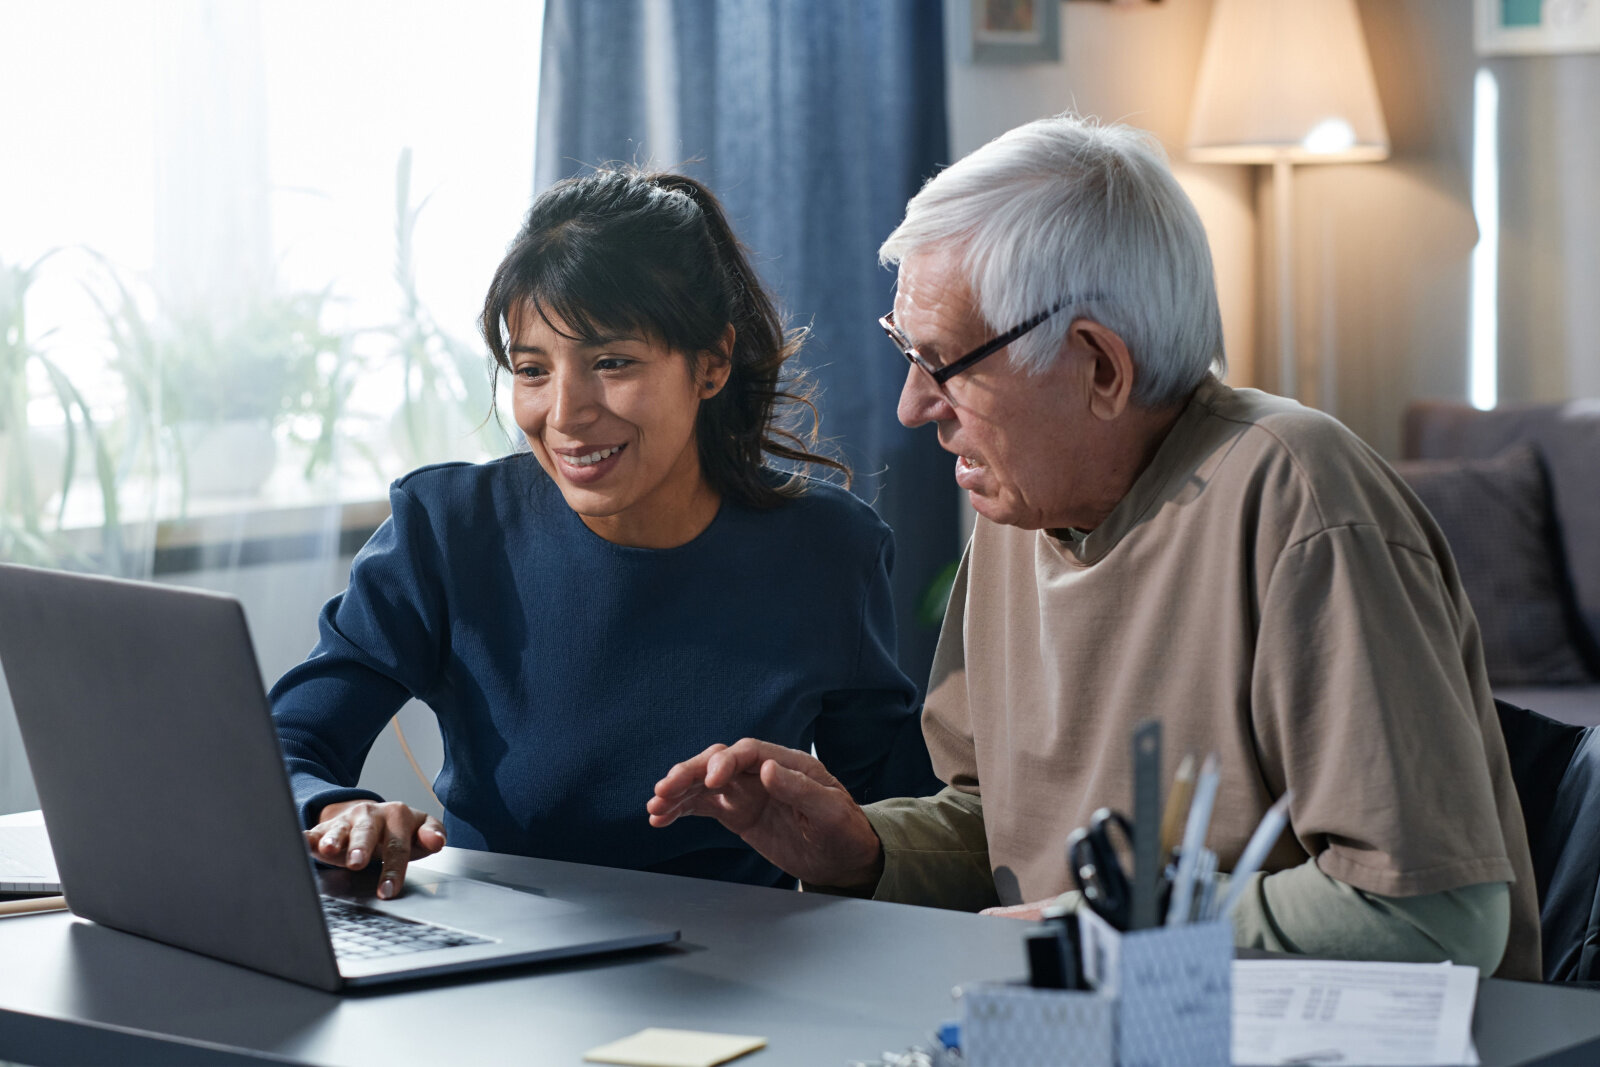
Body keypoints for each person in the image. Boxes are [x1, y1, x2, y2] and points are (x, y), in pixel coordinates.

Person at [648, 114, 1541, 980]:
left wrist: (1118, 924)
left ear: (1101, 367)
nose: (913, 406)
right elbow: (998, 828)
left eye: (943, 363)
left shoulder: (1298, 498)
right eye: (904, 351)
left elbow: (1435, 915)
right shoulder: (1016, 508)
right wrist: (867, 849)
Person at [272, 169, 938, 900]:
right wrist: (337, 810)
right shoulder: (447, 528)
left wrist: (846, 840)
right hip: (502, 953)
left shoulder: (829, 551)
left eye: (611, 362)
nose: (565, 413)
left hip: (744, 958)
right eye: (532, 369)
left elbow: (897, 827)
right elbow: (286, 742)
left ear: (712, 363)